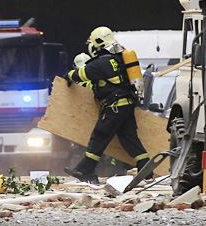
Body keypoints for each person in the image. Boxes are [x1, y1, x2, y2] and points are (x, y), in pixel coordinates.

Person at [63, 26, 153, 182]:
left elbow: (81, 74)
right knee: (129, 139)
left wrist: (68, 75)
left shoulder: (101, 63)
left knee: (99, 136)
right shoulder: (120, 59)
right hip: (127, 105)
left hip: (114, 107)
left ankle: (83, 170)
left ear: (97, 42)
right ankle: (146, 169)